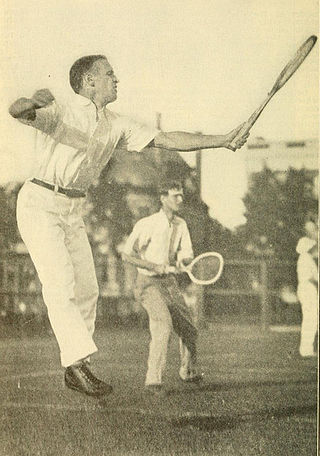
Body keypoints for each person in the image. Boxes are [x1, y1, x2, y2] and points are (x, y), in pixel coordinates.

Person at [8, 54, 249, 398]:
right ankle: (76, 363)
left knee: (88, 288)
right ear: (89, 82)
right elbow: (16, 110)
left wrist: (222, 139)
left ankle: (78, 366)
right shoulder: (61, 109)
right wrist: (32, 102)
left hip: (73, 208)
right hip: (39, 203)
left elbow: (166, 139)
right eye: (108, 74)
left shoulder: (116, 124)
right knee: (60, 282)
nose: (116, 79)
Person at [122, 180, 203, 395]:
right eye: (175, 195)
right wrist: (154, 266)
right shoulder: (147, 224)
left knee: (190, 329)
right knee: (163, 324)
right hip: (147, 283)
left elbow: (186, 255)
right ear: (163, 198)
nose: (180, 200)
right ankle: (153, 381)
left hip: (169, 283)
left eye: (181, 195)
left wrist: (184, 263)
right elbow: (127, 255)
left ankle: (188, 371)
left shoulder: (181, 225)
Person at [296, 222, 318, 358]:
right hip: (307, 289)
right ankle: (306, 350)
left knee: (311, 319)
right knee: (310, 319)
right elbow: (312, 277)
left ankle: (307, 349)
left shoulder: (306, 258)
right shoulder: (305, 258)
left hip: (307, 289)